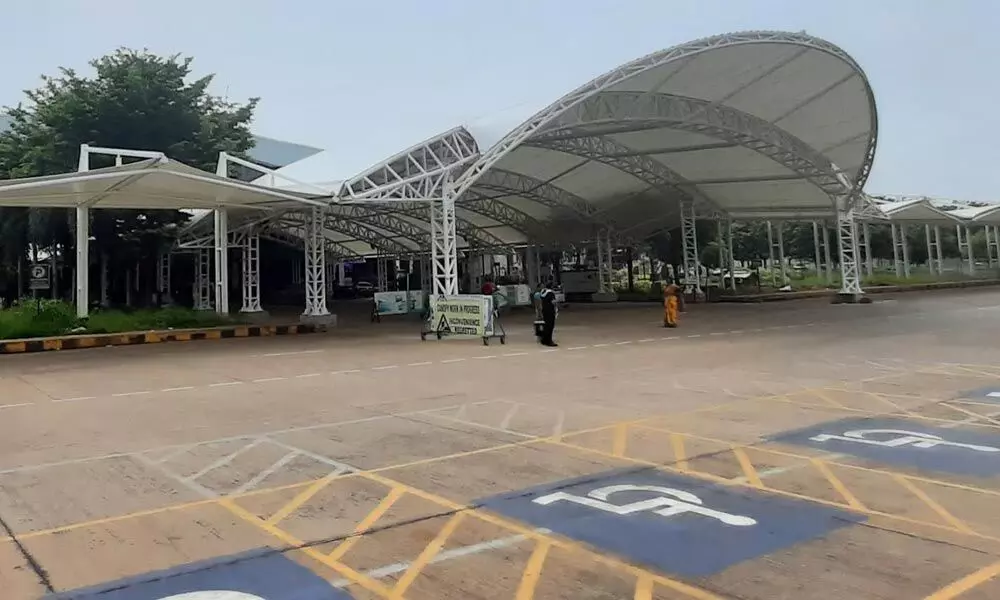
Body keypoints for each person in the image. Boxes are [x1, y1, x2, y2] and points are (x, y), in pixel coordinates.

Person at [538, 282, 558, 346]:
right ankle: (549, 341)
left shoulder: (543, 292)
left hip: (544, 310)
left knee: (546, 325)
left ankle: (544, 340)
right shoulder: (551, 293)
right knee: (550, 326)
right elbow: (553, 302)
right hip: (550, 311)